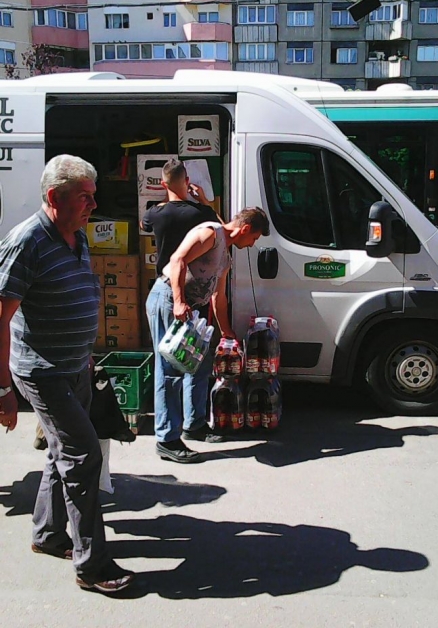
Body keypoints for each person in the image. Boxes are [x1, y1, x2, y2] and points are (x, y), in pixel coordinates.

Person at [0, 154, 134, 595]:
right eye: (85, 197)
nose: (94, 205)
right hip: (43, 372)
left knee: (62, 452)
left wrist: (86, 354)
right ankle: (92, 565)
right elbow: (1, 318)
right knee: (84, 455)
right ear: (56, 197)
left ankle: (48, 534)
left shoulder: (76, 237)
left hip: (75, 365)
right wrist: (2, 388)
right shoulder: (27, 241)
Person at [147, 206, 270, 464]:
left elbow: (218, 296)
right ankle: (167, 439)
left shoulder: (225, 255)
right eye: (254, 238)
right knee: (170, 369)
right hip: (169, 300)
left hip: (190, 309)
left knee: (200, 363)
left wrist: (227, 332)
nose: (252, 244)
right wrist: (179, 301)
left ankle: (195, 425)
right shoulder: (210, 234)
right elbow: (177, 260)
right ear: (245, 229)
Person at [141, 157, 224, 450]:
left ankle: (192, 425)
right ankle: (178, 431)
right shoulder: (200, 213)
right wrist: (204, 201)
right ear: (187, 181)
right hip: (183, 295)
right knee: (185, 363)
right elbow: (219, 228)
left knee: (180, 362)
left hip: (170, 291)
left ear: (163, 184)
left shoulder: (156, 213)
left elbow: (144, 221)